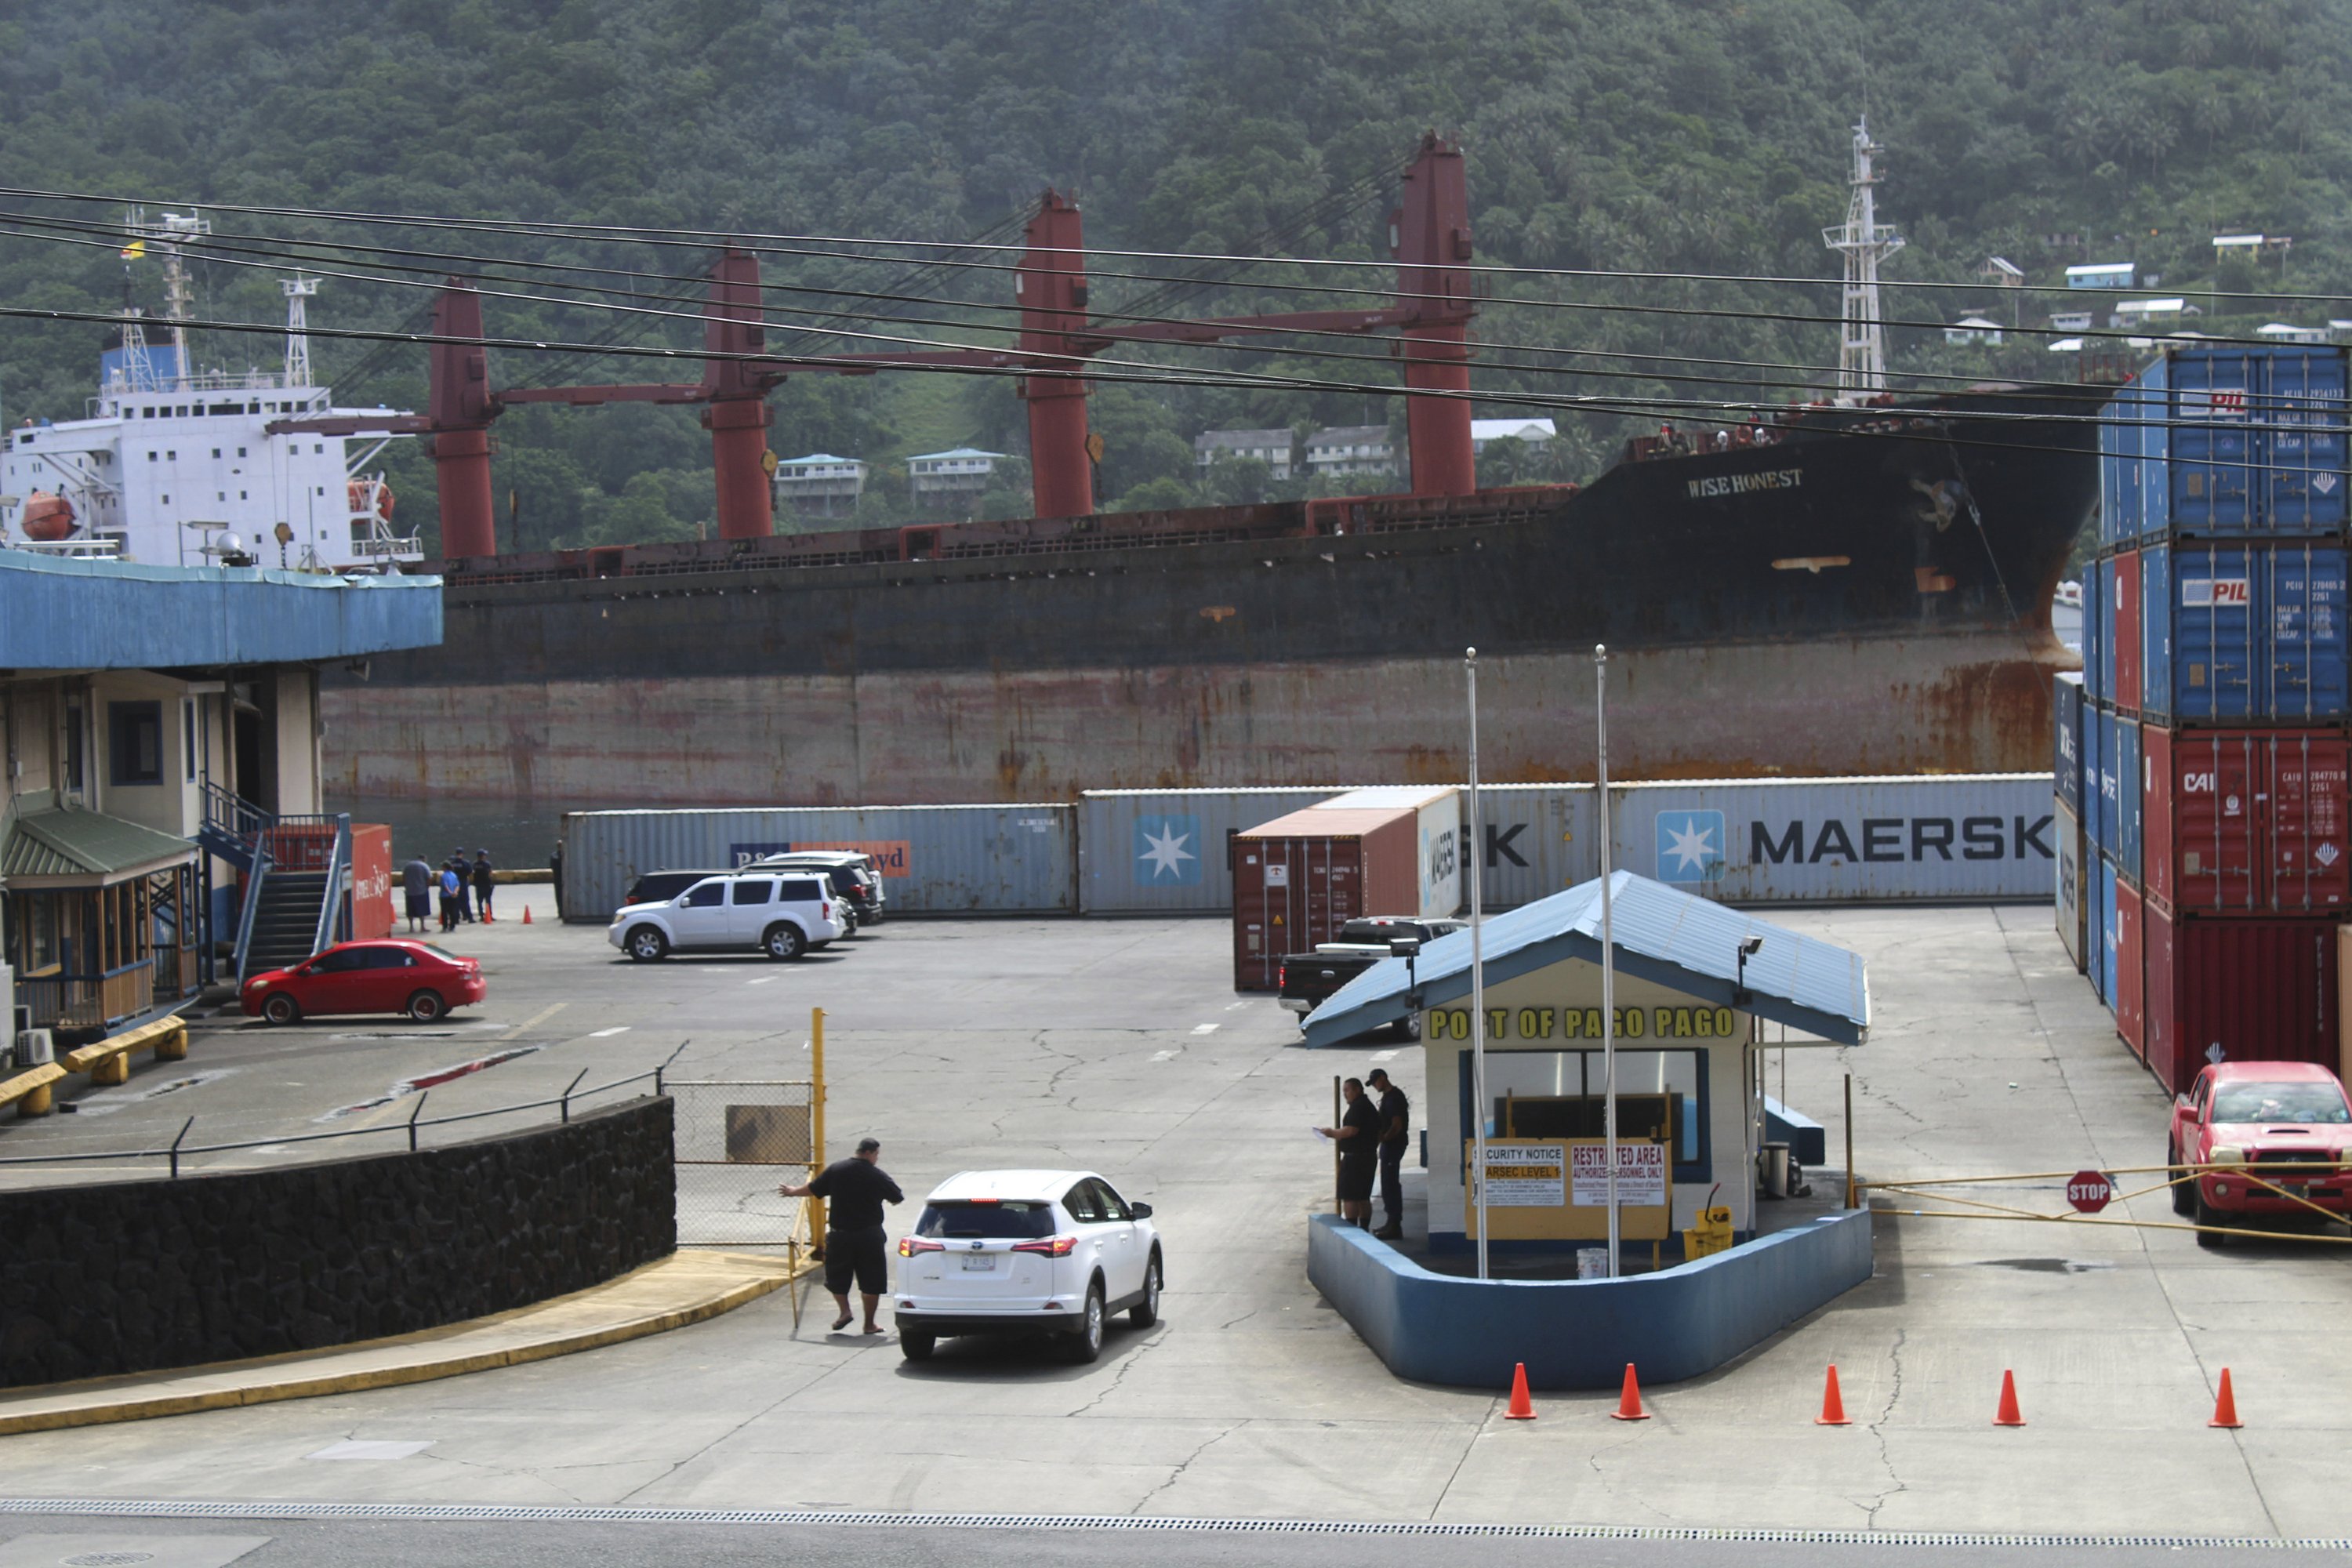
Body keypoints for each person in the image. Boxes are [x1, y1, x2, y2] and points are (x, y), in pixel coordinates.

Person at [779, 1136, 905, 1334]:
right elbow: (897, 1197)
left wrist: (793, 1191)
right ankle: (869, 1324)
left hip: (840, 1235)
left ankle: (845, 1312)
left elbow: (813, 1189)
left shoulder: (837, 1170)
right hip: (869, 1236)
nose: (877, 1159)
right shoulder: (876, 1175)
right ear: (868, 1153)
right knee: (872, 1280)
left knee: (837, 1276)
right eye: (876, 1154)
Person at [1318, 1077, 1383, 1229]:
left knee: (1351, 1197)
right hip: (1368, 1156)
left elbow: (1351, 1130)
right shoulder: (1367, 1107)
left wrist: (1331, 1133)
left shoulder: (1358, 1108)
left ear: (1358, 1090)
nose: (1345, 1094)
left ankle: (1352, 1228)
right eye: (1344, 1091)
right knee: (1363, 1197)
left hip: (1356, 1159)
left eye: (1348, 1090)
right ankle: (1364, 1228)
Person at [1367, 1067, 1412, 1240]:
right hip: (1391, 1145)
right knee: (1388, 1183)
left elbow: (1397, 1124)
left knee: (1390, 1184)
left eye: (1376, 1082)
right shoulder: (1390, 1096)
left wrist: (1384, 1137)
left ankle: (1395, 1225)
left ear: (1383, 1078)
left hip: (1393, 1145)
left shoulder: (1393, 1098)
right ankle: (1391, 1222)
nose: (1375, 1086)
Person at [401, 854, 433, 935]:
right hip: (421, 891)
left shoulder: (408, 866)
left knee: (410, 910)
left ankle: (411, 927)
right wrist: (427, 887)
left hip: (410, 891)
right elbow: (429, 878)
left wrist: (406, 887)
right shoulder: (424, 866)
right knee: (422, 910)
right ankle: (422, 926)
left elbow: (403, 878)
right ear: (424, 859)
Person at [447, 847, 474, 922]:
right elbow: (470, 874)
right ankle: (469, 917)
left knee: (455, 901)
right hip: (463, 883)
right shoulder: (465, 863)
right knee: (465, 901)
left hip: (453, 884)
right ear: (462, 854)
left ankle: (455, 919)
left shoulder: (451, 863)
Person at [472, 849, 496, 923]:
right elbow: (490, 874)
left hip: (478, 885)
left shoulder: (475, 864)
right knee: (488, 901)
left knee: (479, 901)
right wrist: (492, 883)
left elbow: (473, 874)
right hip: (486, 884)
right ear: (483, 856)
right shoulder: (487, 864)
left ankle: (481, 916)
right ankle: (489, 915)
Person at [437, 862, 462, 931]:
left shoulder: (444, 876)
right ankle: (452, 926)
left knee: (444, 912)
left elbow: (445, 886)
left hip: (445, 896)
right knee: (452, 911)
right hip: (453, 896)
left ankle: (445, 927)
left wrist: (450, 893)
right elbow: (457, 885)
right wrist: (455, 892)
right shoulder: (454, 875)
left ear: (445, 867)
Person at [550, 840, 566, 920]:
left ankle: (564, 911)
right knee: (559, 895)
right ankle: (560, 912)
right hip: (558, 878)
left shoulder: (566, 854)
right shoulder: (555, 856)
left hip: (564, 878)